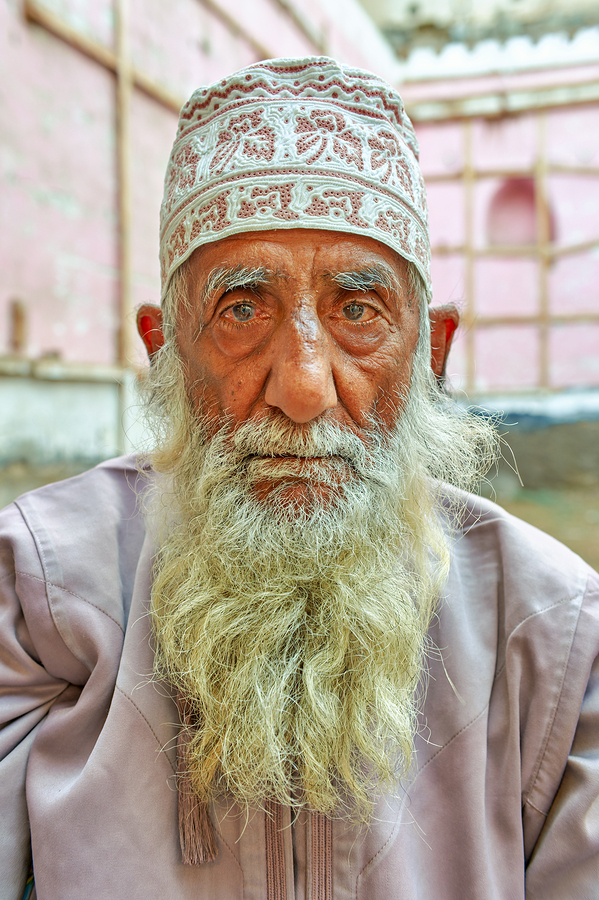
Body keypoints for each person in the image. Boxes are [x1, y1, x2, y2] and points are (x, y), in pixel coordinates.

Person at [1, 57, 597, 900]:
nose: (304, 387)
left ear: (431, 354)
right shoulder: (42, 592)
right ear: (162, 351)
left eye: (358, 311)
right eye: (241, 310)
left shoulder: (555, 636)